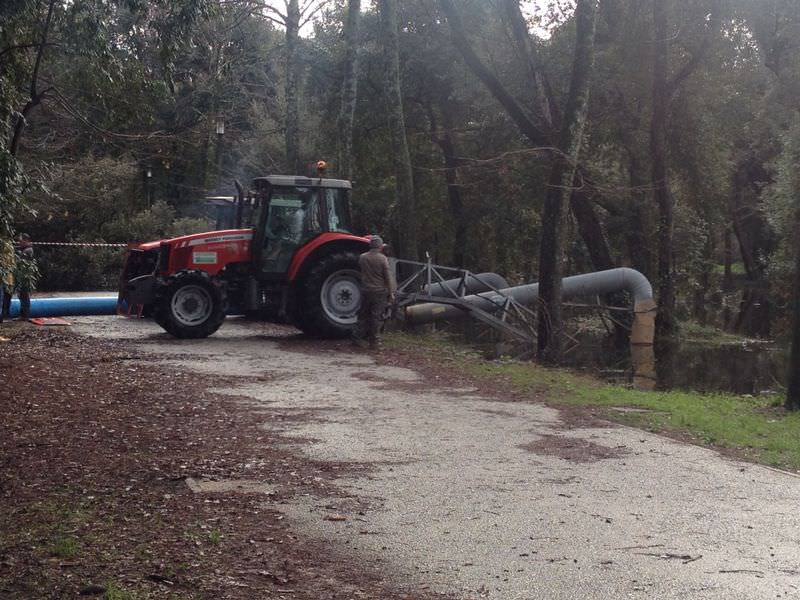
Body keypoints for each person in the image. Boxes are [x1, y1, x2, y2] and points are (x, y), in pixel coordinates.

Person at [353, 235, 396, 349]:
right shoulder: (382, 259)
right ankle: (374, 341)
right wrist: (391, 293)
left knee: (363, 315)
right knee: (376, 316)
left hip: (366, 290)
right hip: (379, 291)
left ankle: (357, 338)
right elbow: (387, 277)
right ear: (380, 246)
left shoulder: (363, 257)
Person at [9, 233, 37, 320]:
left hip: (24, 276)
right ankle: (24, 315)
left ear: (26, 240)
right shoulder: (25, 249)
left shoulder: (28, 250)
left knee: (24, 295)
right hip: (22, 275)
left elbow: (21, 261)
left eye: (21, 241)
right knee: (22, 295)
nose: (19, 243)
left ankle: (24, 315)